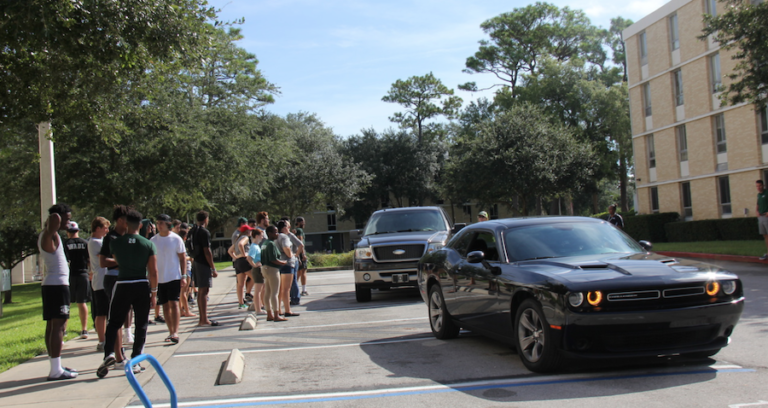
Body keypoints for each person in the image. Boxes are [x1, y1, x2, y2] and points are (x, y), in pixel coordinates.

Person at [97, 209, 159, 378]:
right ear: (140, 225)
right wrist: (154, 292)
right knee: (141, 324)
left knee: (114, 321)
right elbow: (153, 271)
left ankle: (109, 352)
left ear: (126, 223)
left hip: (122, 283)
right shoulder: (148, 244)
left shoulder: (115, 243)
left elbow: (117, 261)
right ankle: (136, 359)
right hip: (141, 283)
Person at [40, 203, 78, 381]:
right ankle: (55, 370)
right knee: (59, 326)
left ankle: (55, 365)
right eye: (67, 219)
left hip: (54, 284)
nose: (68, 223)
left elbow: (55, 221)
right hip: (57, 285)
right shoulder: (49, 234)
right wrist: (56, 215)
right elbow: (54, 220)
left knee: (52, 325)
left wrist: (60, 216)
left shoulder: (51, 234)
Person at [99, 205, 133, 356]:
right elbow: (103, 262)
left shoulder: (130, 237)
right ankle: (118, 356)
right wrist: (121, 261)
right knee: (116, 319)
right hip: (114, 279)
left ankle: (121, 353)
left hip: (128, 279)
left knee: (126, 313)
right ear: (120, 220)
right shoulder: (111, 238)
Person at [150, 214, 186, 344]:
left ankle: (175, 332)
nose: (159, 225)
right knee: (164, 305)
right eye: (157, 223)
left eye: (161, 223)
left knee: (174, 303)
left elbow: (182, 258)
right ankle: (170, 331)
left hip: (174, 276)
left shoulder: (176, 239)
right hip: (160, 278)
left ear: (168, 224)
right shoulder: (153, 240)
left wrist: (184, 276)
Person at [190, 210, 219, 326]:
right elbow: (207, 251)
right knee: (204, 291)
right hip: (203, 263)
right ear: (206, 219)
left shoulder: (192, 231)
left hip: (196, 261)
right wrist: (213, 268)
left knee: (202, 291)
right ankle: (203, 319)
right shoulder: (204, 232)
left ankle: (203, 317)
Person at [63, 221, 91, 339]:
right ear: (78, 231)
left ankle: (63, 330)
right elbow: (89, 260)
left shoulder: (65, 244)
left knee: (67, 303)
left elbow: (64, 261)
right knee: (82, 302)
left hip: (70, 275)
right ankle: (84, 329)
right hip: (83, 274)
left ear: (67, 232)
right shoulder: (85, 243)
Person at [88, 216, 111, 351]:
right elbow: (108, 255)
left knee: (105, 311)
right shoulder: (96, 242)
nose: (107, 231)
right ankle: (102, 340)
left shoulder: (98, 241)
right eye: (105, 228)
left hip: (102, 279)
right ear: (98, 229)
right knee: (101, 312)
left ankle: (105, 338)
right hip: (100, 281)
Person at [276, 220, 303, 315]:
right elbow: (287, 248)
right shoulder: (284, 236)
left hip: (279, 263)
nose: (289, 228)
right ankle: (288, 310)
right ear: (284, 228)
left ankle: (279, 309)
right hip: (287, 264)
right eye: (288, 227)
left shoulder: (276, 237)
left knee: (280, 289)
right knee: (286, 289)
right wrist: (292, 255)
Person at [261, 226, 287, 321]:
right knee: (274, 292)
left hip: (265, 268)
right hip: (272, 269)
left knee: (267, 292)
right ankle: (276, 314)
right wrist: (282, 262)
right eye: (275, 232)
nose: (277, 234)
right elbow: (273, 259)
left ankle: (269, 314)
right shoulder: (271, 244)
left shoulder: (264, 243)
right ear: (269, 233)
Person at [229, 224, 255, 309]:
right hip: (244, 261)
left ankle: (241, 302)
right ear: (247, 231)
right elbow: (241, 244)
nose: (251, 232)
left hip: (238, 262)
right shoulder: (245, 238)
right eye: (250, 230)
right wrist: (244, 255)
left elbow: (230, 251)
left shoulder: (236, 239)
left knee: (240, 284)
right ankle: (258, 301)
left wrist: (236, 257)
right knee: (257, 279)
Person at [177, 227, 196, 318]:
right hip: (186, 269)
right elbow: (183, 257)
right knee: (184, 291)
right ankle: (186, 310)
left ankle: (181, 309)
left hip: (184, 269)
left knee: (184, 291)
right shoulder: (182, 245)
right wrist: (190, 258)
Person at [246, 228, 266, 315]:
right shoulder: (254, 246)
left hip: (259, 269)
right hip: (257, 269)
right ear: (257, 236)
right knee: (257, 290)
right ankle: (258, 310)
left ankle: (260, 306)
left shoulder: (256, 245)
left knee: (261, 289)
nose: (262, 238)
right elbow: (249, 258)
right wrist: (254, 265)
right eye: (261, 236)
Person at [294, 217, 309, 297]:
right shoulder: (299, 230)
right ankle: (304, 290)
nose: (304, 224)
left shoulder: (295, 230)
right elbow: (300, 242)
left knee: (298, 272)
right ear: (299, 222)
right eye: (303, 222)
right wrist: (303, 254)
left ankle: (293, 289)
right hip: (300, 252)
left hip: (297, 252)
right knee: (303, 271)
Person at [757, 180, 768, 260]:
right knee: (765, 235)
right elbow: (758, 204)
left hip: (766, 216)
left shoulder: (767, 193)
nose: (758, 188)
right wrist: (757, 211)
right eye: (757, 186)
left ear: (763, 185)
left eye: (760, 186)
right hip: (761, 217)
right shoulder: (758, 195)